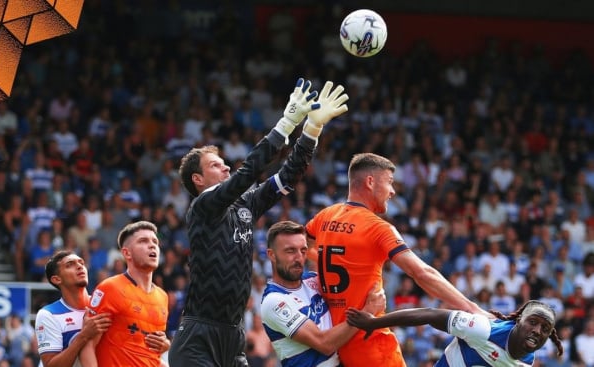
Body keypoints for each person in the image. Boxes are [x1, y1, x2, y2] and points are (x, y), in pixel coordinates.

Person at [170, 78, 349, 367]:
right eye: (216, 165)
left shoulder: (244, 205)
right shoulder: (203, 206)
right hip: (198, 338)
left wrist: (311, 130)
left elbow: (288, 177)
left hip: (233, 335)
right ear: (198, 180)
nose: (226, 166)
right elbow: (246, 175)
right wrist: (286, 124)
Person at [305, 153, 489, 366]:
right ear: (370, 182)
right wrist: (473, 308)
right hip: (372, 343)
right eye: (390, 182)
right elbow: (421, 272)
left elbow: (304, 246)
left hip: (341, 342)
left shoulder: (326, 216)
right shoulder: (377, 227)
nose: (392, 191)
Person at [260, 220, 385, 367]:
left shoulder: (313, 279)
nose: (299, 258)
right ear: (272, 255)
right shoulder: (274, 301)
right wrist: (368, 311)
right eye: (290, 251)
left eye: (303, 250)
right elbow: (324, 344)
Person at [346, 300, 563, 367]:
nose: (536, 331)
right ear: (519, 321)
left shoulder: (528, 359)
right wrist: (375, 322)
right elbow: (430, 314)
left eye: (544, 329)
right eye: (532, 322)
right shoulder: (482, 330)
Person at [88, 220, 170, 367]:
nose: (152, 245)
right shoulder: (110, 288)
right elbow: (88, 346)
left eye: (155, 241)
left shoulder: (162, 296)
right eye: (143, 241)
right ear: (127, 253)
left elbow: (150, 354)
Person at [34, 251, 111, 367]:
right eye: (70, 264)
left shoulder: (105, 305)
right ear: (57, 279)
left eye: (81, 263)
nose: (80, 266)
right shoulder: (49, 314)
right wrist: (84, 335)